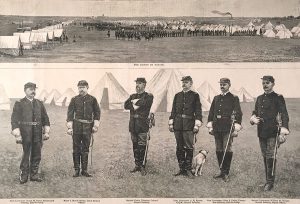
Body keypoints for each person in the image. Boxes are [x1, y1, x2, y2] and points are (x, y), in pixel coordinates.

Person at [250, 75, 289, 191]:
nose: (265, 85)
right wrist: (253, 118)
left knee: (270, 156)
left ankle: (270, 183)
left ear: (273, 84)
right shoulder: (259, 98)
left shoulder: (278, 98)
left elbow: (284, 114)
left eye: (267, 83)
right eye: (263, 83)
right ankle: (268, 181)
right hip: (261, 131)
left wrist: (283, 131)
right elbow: (255, 112)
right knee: (265, 156)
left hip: (273, 131)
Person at [11, 82, 50, 184]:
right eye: (30, 89)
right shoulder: (19, 103)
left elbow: (45, 118)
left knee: (37, 154)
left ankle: (34, 175)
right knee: (26, 154)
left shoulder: (39, 103)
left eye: (34, 89)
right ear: (25, 91)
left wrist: (46, 131)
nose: (33, 91)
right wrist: (17, 134)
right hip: (25, 133)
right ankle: (24, 175)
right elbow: (14, 120)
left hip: (37, 133)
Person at [206, 78, 243, 182]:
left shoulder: (234, 98)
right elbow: (211, 113)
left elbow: (238, 113)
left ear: (229, 85)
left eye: (224, 84)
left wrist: (236, 127)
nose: (222, 86)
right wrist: (210, 126)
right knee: (219, 149)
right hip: (217, 127)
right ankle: (221, 171)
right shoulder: (216, 98)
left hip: (228, 127)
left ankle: (226, 172)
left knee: (227, 149)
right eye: (221, 84)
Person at [168, 76, 203, 178]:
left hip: (189, 125)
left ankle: (188, 169)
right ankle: (182, 169)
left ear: (191, 84)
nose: (184, 84)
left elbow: (198, 111)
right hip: (178, 125)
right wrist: (171, 123)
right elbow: (173, 111)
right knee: (179, 147)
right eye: (183, 82)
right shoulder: (177, 95)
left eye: (186, 82)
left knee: (189, 147)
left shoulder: (195, 96)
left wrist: (197, 124)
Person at [66, 80, 100, 177]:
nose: (81, 89)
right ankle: (77, 170)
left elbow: (97, 113)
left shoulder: (93, 99)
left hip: (88, 128)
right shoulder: (74, 99)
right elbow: (70, 114)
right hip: (76, 127)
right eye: (79, 87)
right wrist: (70, 127)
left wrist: (95, 125)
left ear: (87, 88)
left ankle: (84, 170)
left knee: (85, 149)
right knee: (76, 148)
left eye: (83, 87)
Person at [124, 78, 153, 176]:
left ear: (144, 85)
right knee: (135, 145)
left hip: (143, 124)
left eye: (139, 83)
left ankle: (142, 166)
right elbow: (125, 105)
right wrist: (136, 102)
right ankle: (137, 164)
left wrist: (134, 102)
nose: (137, 85)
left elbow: (145, 104)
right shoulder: (132, 95)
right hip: (133, 124)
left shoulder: (148, 96)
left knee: (142, 145)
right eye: (136, 83)